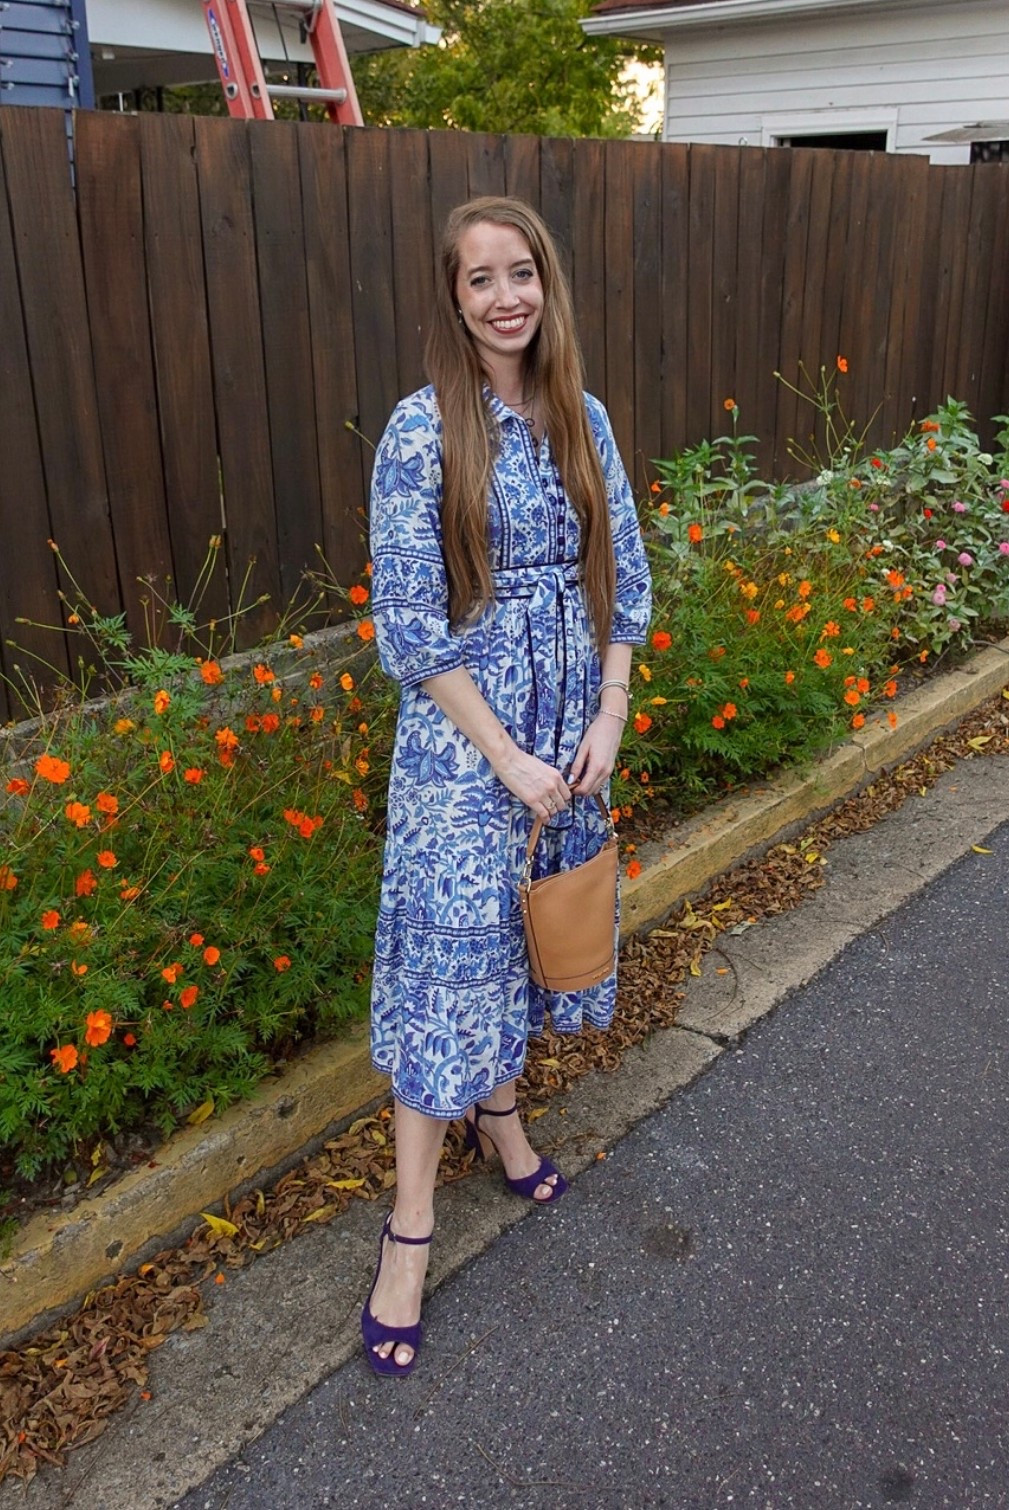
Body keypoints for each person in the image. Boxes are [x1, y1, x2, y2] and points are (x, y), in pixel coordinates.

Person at [360, 196, 652, 1376]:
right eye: (478, 280)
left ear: (546, 282)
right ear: (452, 297)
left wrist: (610, 708)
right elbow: (411, 631)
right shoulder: (421, 431)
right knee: (450, 968)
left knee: (530, 937)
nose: (503, 297)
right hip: (464, 746)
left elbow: (623, 567)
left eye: (519, 272)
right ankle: (410, 1230)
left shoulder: (580, 416)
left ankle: (503, 1114)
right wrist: (507, 756)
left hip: (564, 726)